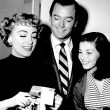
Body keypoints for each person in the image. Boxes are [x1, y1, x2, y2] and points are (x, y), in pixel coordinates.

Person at [35, 0, 82, 109]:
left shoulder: (85, 49)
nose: (61, 25)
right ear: (50, 18)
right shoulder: (34, 48)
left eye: (68, 20)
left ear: (76, 22)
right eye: (56, 18)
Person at [0, 13, 43, 110]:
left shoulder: (46, 69)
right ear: (9, 38)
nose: (30, 41)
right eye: (23, 35)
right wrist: (9, 102)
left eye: (34, 35)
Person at [73, 32, 110, 110]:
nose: (82, 57)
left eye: (89, 52)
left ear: (101, 53)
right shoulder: (79, 84)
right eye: (80, 52)